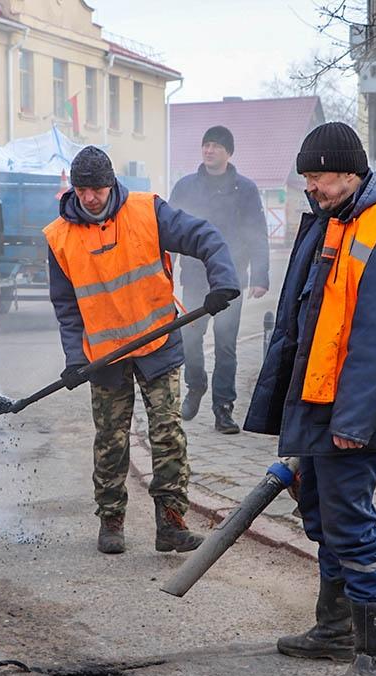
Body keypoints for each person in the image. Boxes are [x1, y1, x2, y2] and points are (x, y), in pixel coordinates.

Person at [243, 123, 376, 676]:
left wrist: (353, 423)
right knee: (321, 515)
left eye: (318, 176)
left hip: (355, 410)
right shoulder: (335, 218)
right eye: (305, 177)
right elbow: (308, 318)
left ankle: (375, 650)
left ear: (350, 173)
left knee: (350, 524)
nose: (311, 187)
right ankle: (334, 629)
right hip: (322, 397)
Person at [45, 145, 240, 555]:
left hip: (157, 342)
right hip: (104, 356)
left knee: (168, 434)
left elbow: (205, 236)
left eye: (97, 189)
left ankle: (171, 523)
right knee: (111, 441)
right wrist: (75, 359)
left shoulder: (147, 211)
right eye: (82, 190)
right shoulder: (59, 238)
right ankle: (111, 521)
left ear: (111, 183)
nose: (90, 198)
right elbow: (66, 307)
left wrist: (222, 279)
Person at [170, 125, 270, 434]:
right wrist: (164, 270)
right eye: (206, 145)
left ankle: (223, 408)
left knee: (226, 346)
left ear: (228, 153)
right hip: (195, 277)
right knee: (189, 339)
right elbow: (169, 229)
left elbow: (257, 232)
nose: (209, 150)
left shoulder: (245, 189)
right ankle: (195, 384)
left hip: (230, 280)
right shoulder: (186, 187)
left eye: (215, 146)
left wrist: (260, 275)